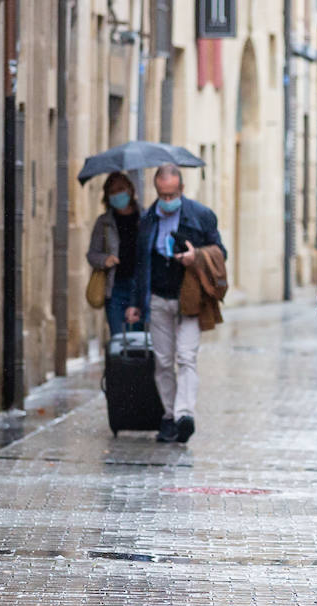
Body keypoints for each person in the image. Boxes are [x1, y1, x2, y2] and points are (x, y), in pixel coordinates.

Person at [126, 164, 227, 444]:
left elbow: (221, 253)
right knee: (162, 361)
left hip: (190, 298)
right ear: (157, 191)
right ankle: (169, 416)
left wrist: (195, 257)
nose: (167, 200)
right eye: (163, 194)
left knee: (186, 357)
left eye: (172, 194)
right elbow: (139, 264)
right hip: (158, 298)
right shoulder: (148, 219)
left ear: (181, 189)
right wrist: (136, 302)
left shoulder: (202, 216)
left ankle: (184, 416)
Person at [87, 172, 144, 335]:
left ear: (130, 191)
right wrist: (105, 260)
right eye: (112, 191)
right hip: (115, 287)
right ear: (107, 196)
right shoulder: (103, 223)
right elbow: (92, 254)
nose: (117, 194)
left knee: (140, 339)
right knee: (118, 338)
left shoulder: (145, 217)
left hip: (140, 286)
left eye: (121, 189)